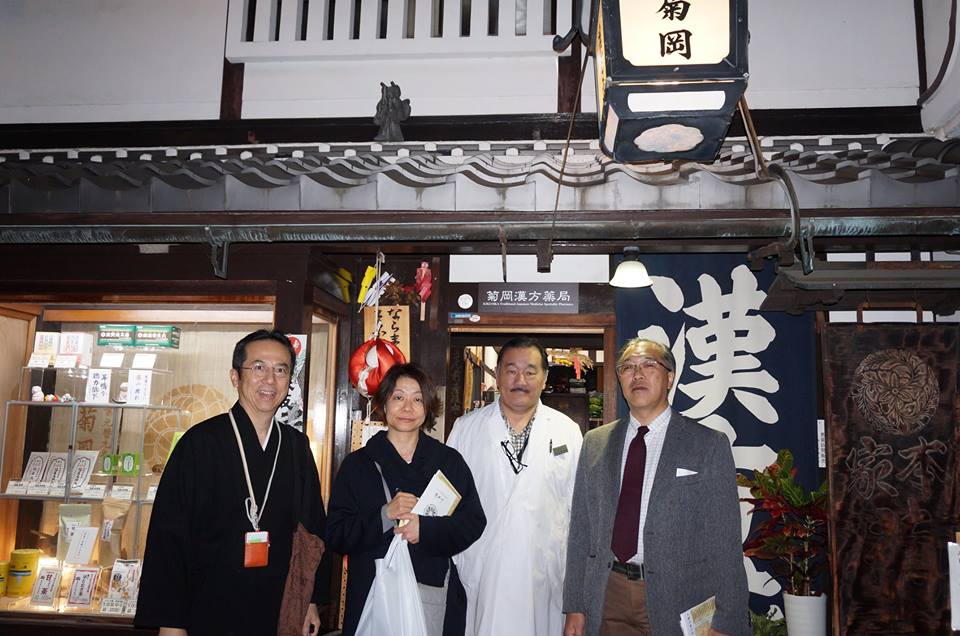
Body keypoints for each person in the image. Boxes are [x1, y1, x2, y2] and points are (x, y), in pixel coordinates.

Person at [136, 329, 327, 636]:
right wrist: (170, 622)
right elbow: (169, 536)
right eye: (258, 367)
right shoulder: (200, 443)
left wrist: (310, 600)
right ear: (235, 376)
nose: (270, 379)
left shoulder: (296, 446)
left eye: (281, 370)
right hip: (207, 605)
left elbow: (313, 528)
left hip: (276, 607)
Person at [562, 338, 749, 636]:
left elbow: (724, 540)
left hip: (680, 595)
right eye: (627, 367)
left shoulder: (708, 444)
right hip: (609, 593)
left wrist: (728, 620)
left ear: (670, 377)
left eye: (649, 365)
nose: (637, 374)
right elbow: (581, 530)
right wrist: (575, 604)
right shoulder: (595, 442)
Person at [326, 362, 486, 636]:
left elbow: (472, 522)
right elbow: (336, 534)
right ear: (383, 404)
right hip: (372, 594)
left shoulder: (448, 461)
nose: (407, 408)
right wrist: (384, 516)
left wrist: (426, 529)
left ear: (428, 407)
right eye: (398, 397)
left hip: (431, 591)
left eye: (417, 399)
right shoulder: (357, 465)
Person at [447, 336, 584, 636]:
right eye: (511, 371)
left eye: (530, 371)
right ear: (497, 376)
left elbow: (579, 516)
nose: (520, 380)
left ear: (544, 378)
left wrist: (577, 596)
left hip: (544, 576)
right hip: (483, 573)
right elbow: (447, 504)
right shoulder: (466, 429)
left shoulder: (567, 432)